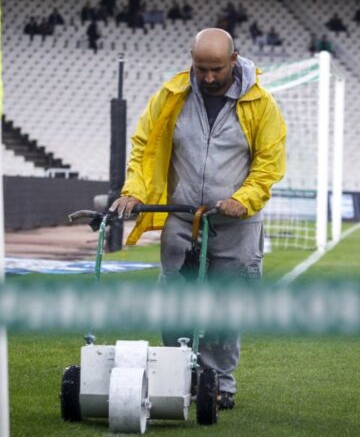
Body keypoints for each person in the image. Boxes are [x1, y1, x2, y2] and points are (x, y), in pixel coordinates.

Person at [110, 28, 287, 410]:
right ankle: (175, 376)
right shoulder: (172, 96)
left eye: (216, 69)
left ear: (234, 61)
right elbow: (144, 146)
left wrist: (245, 198)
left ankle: (219, 383)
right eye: (201, 68)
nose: (208, 77)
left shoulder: (261, 104)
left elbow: (269, 162)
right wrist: (135, 189)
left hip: (237, 223)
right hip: (181, 216)